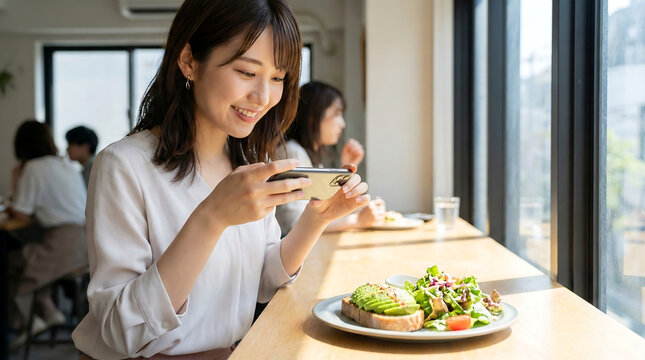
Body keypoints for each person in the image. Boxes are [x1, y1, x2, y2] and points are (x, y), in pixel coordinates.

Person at [71, 0, 370, 359]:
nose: (263, 97)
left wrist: (316, 219)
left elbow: (260, 280)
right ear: (189, 62)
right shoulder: (123, 166)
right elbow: (120, 330)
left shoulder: (247, 162)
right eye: (247, 72)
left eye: (278, 78)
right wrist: (211, 218)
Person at [8, 120, 87, 347]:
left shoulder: (34, 168)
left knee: (13, 261)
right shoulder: (65, 165)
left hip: (62, 245)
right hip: (84, 246)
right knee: (31, 258)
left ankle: (28, 321)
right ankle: (50, 312)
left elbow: (22, 214)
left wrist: (14, 195)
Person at [275, 81, 386, 233]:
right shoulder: (292, 154)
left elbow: (329, 211)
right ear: (313, 117)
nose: (342, 124)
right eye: (337, 114)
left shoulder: (311, 157)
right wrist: (357, 220)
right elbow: (294, 224)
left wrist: (345, 171)